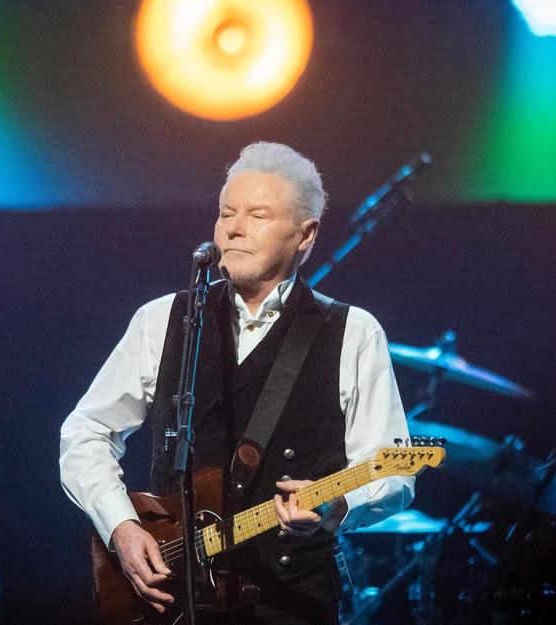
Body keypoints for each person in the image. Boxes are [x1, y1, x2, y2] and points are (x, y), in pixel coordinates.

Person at [60, 142, 415, 624]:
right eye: (226, 212)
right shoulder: (163, 319)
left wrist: (337, 506)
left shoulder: (353, 331)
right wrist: (120, 525)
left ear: (305, 234)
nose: (234, 227)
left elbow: (391, 470)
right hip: (174, 598)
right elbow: (86, 433)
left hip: (291, 602)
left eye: (258, 215)